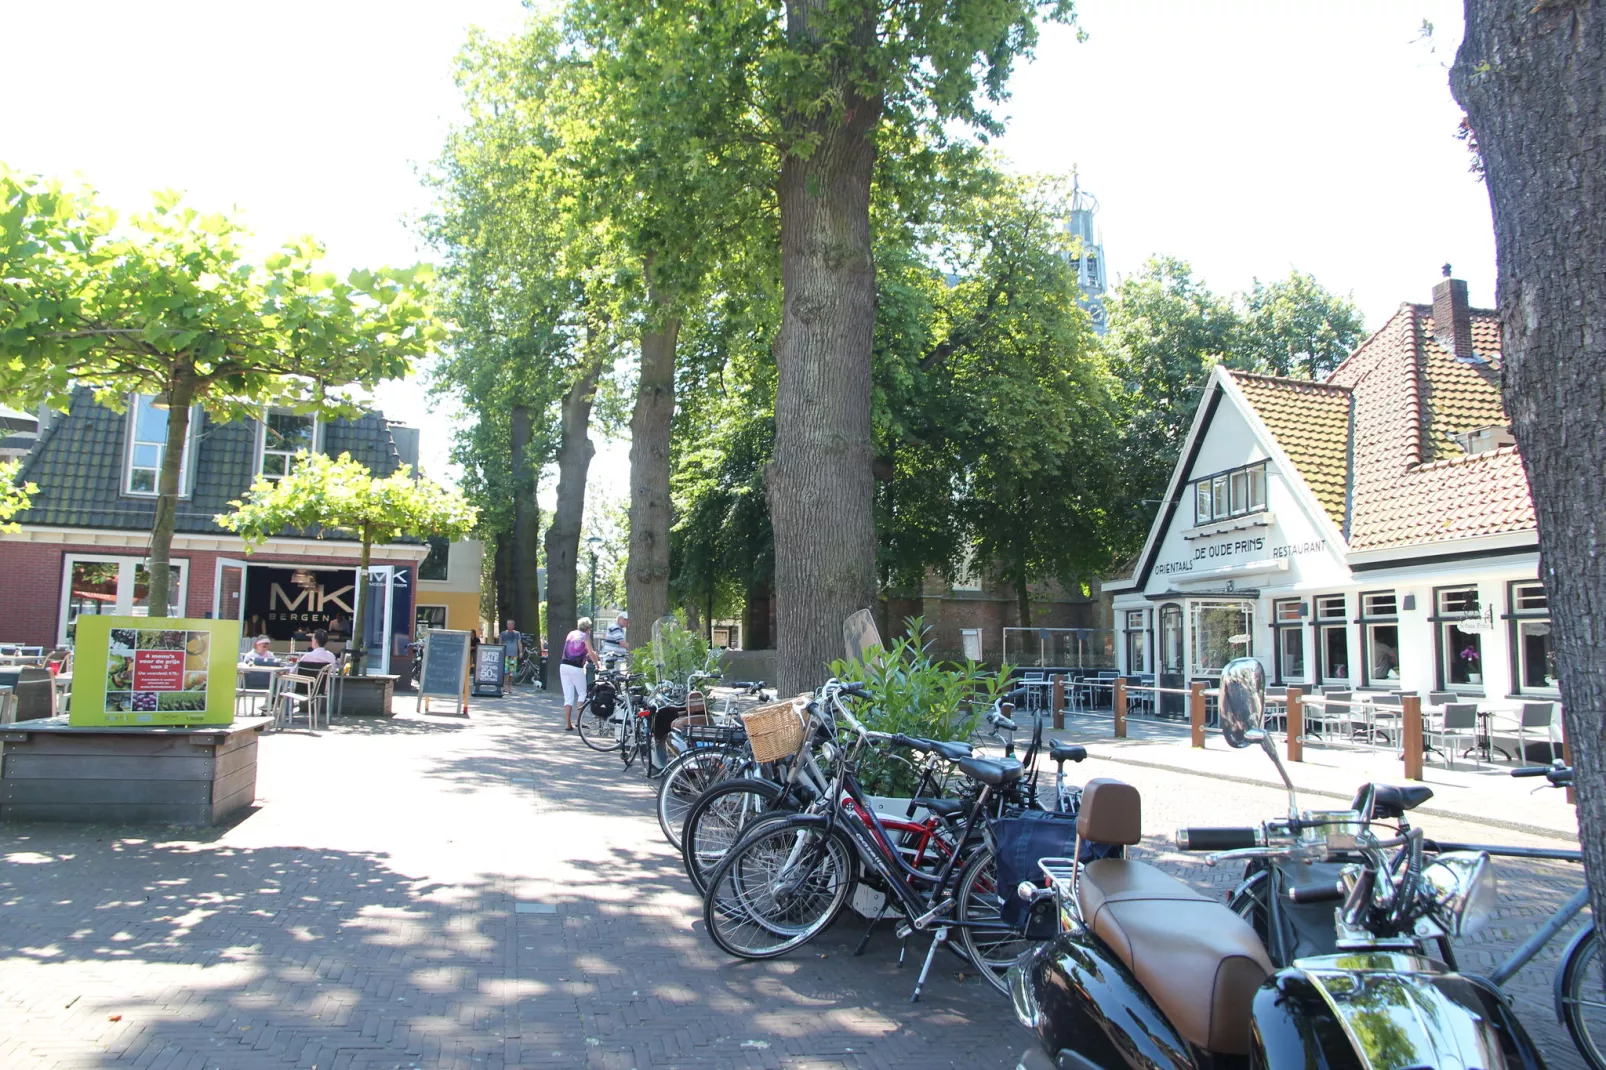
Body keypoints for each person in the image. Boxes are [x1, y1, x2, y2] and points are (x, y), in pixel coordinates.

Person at [558, 617, 599, 731]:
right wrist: (597, 664)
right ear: (588, 628)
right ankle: (578, 721)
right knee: (582, 693)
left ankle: (567, 723)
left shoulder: (571, 633)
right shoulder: (585, 636)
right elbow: (590, 652)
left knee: (568, 696)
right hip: (576, 667)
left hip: (564, 665)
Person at [500, 619, 522, 688]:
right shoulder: (503, 633)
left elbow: (519, 643)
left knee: (511, 672)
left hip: (513, 656)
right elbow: (500, 643)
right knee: (505, 671)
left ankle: (510, 686)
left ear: (513, 625)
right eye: (508, 624)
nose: (509, 625)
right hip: (505, 655)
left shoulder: (517, 633)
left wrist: (521, 652)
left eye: (511, 624)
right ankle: (505, 685)